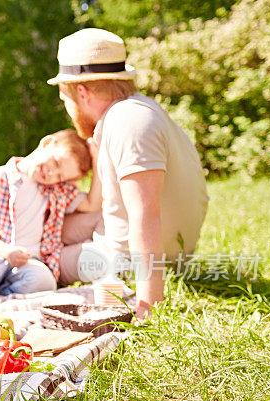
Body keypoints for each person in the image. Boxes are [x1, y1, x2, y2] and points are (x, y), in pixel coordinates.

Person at [46, 28, 209, 318]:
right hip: (160, 244)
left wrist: (149, 306)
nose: (67, 109)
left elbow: (146, 216)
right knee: (53, 225)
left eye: (65, 99)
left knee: (44, 255)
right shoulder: (139, 109)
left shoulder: (127, 122)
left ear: (81, 93)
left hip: (131, 261)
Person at [0, 129, 101, 306]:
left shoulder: (57, 190)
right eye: (56, 163)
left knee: (44, 281)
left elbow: (91, 204)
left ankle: (1, 299)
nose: (52, 175)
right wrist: (5, 251)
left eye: (60, 176)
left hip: (26, 262)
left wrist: (97, 160)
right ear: (47, 143)